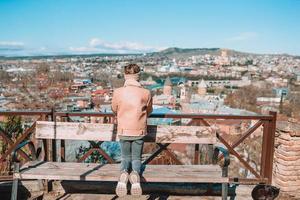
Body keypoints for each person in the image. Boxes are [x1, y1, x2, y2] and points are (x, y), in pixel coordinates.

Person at [111, 63, 153, 197]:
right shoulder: (146, 93)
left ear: (125, 76)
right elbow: (149, 111)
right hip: (139, 131)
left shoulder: (118, 92)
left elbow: (114, 109)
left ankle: (123, 173)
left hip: (123, 130)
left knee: (125, 156)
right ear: (138, 76)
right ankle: (135, 175)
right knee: (136, 157)